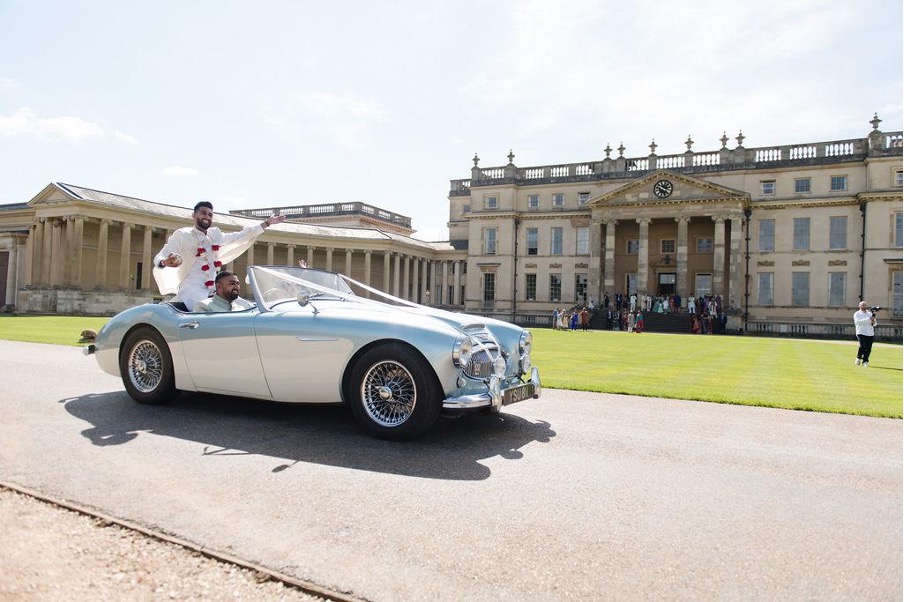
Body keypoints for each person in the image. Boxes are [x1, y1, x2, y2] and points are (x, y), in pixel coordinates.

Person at [153, 201, 286, 310]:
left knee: (246, 307)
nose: (207, 217)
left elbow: (240, 236)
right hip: (192, 291)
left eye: (210, 215)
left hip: (215, 290)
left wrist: (267, 223)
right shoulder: (182, 235)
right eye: (203, 213)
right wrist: (165, 262)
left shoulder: (215, 235)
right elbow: (160, 256)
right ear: (194, 215)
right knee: (207, 309)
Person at [853, 301, 877, 367]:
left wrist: (873, 320)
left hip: (870, 333)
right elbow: (858, 322)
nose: (864, 306)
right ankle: (858, 357)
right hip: (861, 332)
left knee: (868, 348)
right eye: (862, 305)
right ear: (859, 306)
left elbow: (875, 324)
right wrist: (868, 319)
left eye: (865, 305)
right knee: (863, 346)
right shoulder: (857, 314)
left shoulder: (870, 313)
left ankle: (865, 361)